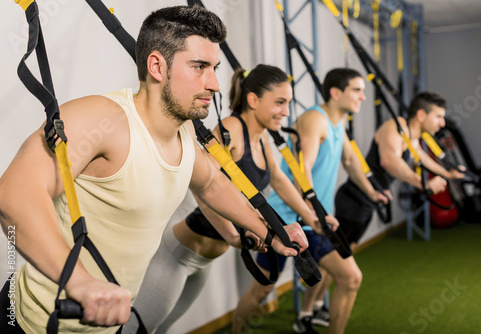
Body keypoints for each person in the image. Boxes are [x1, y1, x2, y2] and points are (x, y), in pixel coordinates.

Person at [0, 6, 309, 334]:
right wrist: (80, 283)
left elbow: (210, 184)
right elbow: (13, 196)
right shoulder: (104, 120)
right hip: (30, 322)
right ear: (157, 66)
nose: (215, 84)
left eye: (215, 68)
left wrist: (268, 229)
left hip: (106, 326)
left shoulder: (185, 132)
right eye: (200, 67)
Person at [122, 64, 338, 334]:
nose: (286, 112)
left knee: (162, 329)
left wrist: (313, 219)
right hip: (177, 257)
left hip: (204, 261)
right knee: (137, 330)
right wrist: (232, 235)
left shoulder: (260, 138)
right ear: (253, 100)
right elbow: (203, 188)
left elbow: (280, 181)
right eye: (280, 103)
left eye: (288, 103)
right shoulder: (231, 129)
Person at [231, 68, 388, 334]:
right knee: (262, 290)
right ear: (336, 93)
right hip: (287, 217)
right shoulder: (316, 119)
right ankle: (237, 330)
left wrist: (372, 192)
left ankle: (307, 316)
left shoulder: (338, 124)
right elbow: (303, 168)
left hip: (309, 218)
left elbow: (349, 161)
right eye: (357, 90)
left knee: (349, 278)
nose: (363, 96)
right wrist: (314, 211)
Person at [335, 91, 465, 248]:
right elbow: (389, 161)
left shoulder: (411, 135)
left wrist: (447, 174)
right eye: (438, 117)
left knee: (345, 252)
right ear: (421, 115)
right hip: (354, 199)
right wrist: (423, 183)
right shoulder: (396, 128)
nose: (442, 123)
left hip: (369, 200)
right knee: (336, 257)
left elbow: (421, 156)